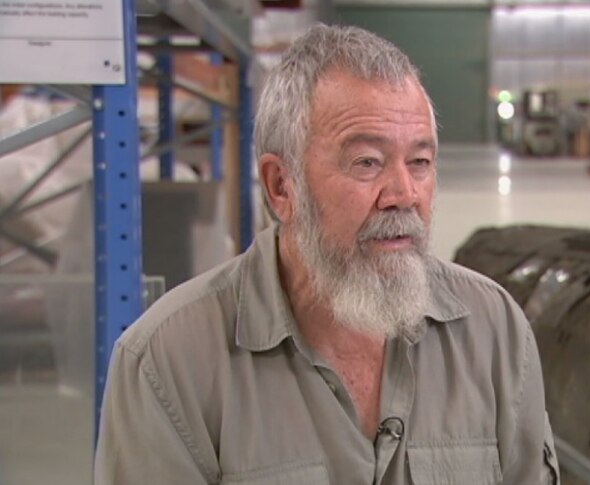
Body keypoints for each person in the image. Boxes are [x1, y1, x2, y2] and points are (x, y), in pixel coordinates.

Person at [95, 24, 559, 484]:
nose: (403, 193)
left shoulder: (494, 331)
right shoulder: (167, 363)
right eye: (367, 163)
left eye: (420, 162)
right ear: (282, 186)